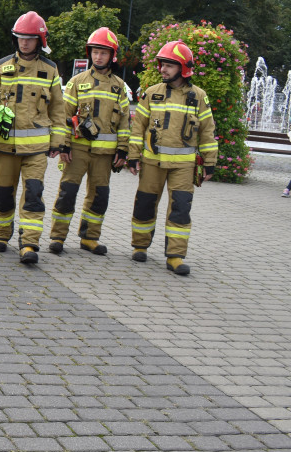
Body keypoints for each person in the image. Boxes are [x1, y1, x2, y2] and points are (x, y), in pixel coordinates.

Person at [0, 11, 70, 265]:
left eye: (29, 38)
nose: (24, 43)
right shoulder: (1, 66)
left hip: (37, 150)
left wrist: (58, 142)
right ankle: (1, 235)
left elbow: (58, 110)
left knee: (33, 195)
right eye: (20, 38)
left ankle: (29, 243)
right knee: (2, 194)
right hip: (4, 147)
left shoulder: (50, 70)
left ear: (40, 40)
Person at [127, 40, 217, 276]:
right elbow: (138, 129)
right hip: (152, 163)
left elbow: (207, 131)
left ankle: (176, 256)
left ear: (183, 68)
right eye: (162, 65)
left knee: (180, 209)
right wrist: (133, 157)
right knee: (145, 204)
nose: (163, 69)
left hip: (184, 167)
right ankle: (139, 246)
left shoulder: (198, 97)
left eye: (169, 65)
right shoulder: (151, 93)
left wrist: (210, 162)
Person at [48, 27, 131, 255]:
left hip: (105, 155)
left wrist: (123, 151)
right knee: (67, 193)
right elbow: (64, 116)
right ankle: (57, 237)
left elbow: (124, 121)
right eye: (95, 51)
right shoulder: (77, 81)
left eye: (103, 52)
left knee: (99, 197)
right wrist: (63, 144)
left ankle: (90, 238)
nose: (98, 56)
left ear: (112, 55)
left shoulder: (119, 87)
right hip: (77, 150)